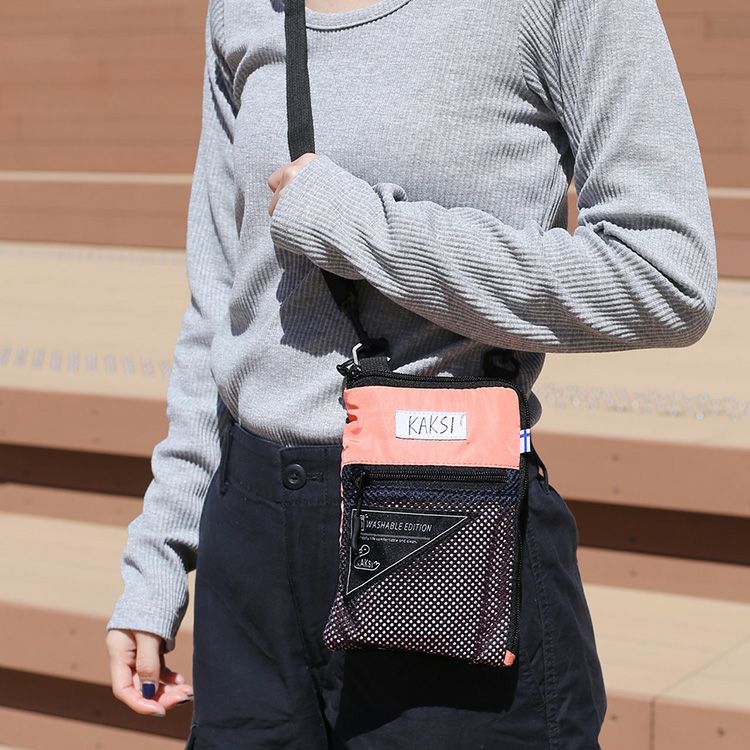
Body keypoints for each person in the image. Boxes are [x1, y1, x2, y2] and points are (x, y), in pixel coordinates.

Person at [105, 0, 718, 747]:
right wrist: (159, 559)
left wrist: (365, 229)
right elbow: (221, 310)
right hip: (251, 543)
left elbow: (666, 277)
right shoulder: (243, 9)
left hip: (447, 524)